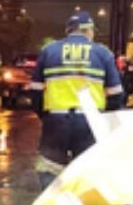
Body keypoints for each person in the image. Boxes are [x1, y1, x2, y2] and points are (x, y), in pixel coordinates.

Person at [28, 12, 123, 188]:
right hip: (90, 121)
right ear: (87, 30)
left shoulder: (49, 51)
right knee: (88, 171)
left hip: (56, 120)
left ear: (68, 31)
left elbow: (35, 92)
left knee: (50, 168)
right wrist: (103, 119)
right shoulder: (102, 53)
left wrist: (45, 115)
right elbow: (116, 95)